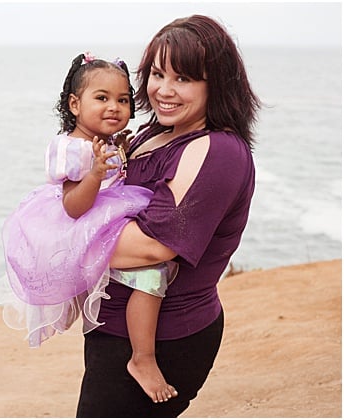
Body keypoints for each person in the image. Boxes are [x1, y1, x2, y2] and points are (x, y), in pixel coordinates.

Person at [75, 15, 260, 417]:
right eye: (158, 73)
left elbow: (150, 248)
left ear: (218, 83)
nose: (164, 90)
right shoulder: (154, 132)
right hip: (113, 330)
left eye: (184, 78)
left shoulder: (217, 150)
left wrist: (61, 233)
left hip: (164, 340)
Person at [0, 52, 179, 403]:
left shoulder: (103, 141)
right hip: (79, 222)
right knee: (152, 276)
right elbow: (74, 206)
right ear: (75, 104)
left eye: (123, 100)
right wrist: (96, 172)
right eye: (102, 98)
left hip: (104, 215)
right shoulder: (71, 149)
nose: (114, 107)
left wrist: (116, 154)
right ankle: (143, 358)